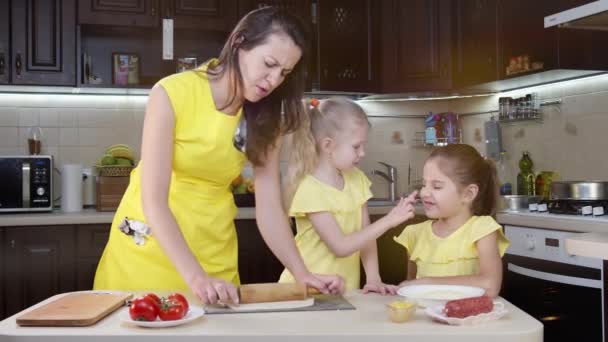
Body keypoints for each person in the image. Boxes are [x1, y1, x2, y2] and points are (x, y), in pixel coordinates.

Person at [94, 7, 344, 305]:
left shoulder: (266, 118)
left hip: (213, 253)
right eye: (269, 63)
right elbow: (154, 200)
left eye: (284, 73)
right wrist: (197, 278)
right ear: (239, 42)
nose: (274, 80)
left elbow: (269, 209)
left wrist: (302, 273)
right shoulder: (172, 93)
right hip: (147, 251)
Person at [278, 97, 417, 292]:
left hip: (344, 290)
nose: (363, 153)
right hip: (307, 289)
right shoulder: (309, 188)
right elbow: (340, 247)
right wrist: (389, 220)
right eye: (356, 146)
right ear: (327, 146)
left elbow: (365, 236)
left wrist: (373, 278)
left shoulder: (357, 180)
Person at [395, 144, 510, 297]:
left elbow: (490, 285)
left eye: (436, 186)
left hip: (471, 320)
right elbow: (411, 289)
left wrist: (427, 282)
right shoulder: (415, 234)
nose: (423, 193)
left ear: (468, 194)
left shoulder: (482, 230)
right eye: (424, 184)